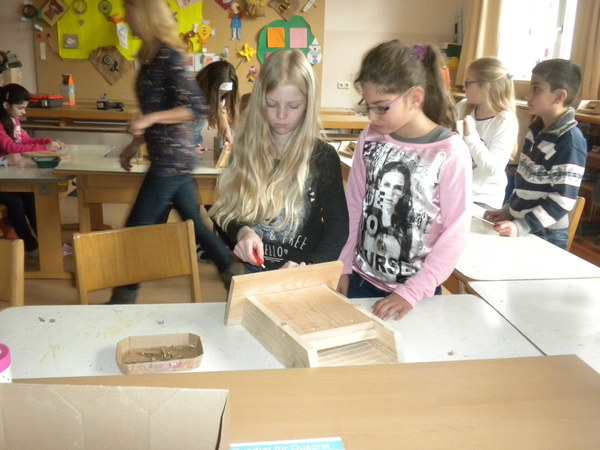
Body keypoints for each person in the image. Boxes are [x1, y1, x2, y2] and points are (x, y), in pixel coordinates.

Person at [111, 0, 236, 304]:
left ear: (145, 15)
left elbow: (196, 107)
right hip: (171, 157)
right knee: (196, 225)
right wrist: (134, 144)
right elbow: (159, 108)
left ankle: (122, 299)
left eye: (130, 12)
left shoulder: (169, 56)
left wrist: (148, 120)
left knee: (135, 230)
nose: (127, 19)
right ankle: (233, 274)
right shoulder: (151, 56)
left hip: (171, 160)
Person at [338, 40, 472, 321]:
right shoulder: (370, 138)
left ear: (415, 98)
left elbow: (456, 232)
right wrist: (343, 266)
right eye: (367, 106)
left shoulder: (449, 151)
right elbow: (353, 206)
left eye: (382, 107)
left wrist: (412, 292)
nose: (372, 117)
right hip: (361, 281)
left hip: (415, 295)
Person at [210, 49, 348, 271]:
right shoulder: (244, 149)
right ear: (259, 101)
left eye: (293, 106)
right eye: (272, 104)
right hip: (255, 271)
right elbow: (225, 212)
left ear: (308, 104)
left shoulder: (322, 157)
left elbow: (338, 226)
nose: (281, 115)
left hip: (303, 271)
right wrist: (243, 233)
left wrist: (312, 267)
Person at [483, 59, 587, 250]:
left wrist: (523, 225)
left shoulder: (570, 142)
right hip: (523, 224)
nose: (528, 95)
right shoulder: (535, 131)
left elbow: (563, 199)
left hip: (546, 233)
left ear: (559, 96)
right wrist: (508, 210)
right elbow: (523, 183)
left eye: (536, 89)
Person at [0, 83, 65, 257]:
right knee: (16, 202)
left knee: (30, 195)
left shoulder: (13, 121)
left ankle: (48, 242)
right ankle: (31, 246)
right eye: (20, 108)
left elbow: (25, 141)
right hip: (4, 178)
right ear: (6, 105)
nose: (24, 112)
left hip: (8, 176)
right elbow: (11, 147)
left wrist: (46, 141)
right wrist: (45, 148)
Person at [456, 57, 519, 209]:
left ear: (486, 86)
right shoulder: (463, 106)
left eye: (468, 83)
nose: (464, 88)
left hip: (481, 198)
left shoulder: (505, 121)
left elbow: (492, 171)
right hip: (455, 190)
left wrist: (471, 137)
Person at [192, 60, 239, 149]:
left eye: (224, 94)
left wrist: (226, 129)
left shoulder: (219, 97)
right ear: (207, 87)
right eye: (219, 93)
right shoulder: (186, 97)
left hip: (195, 144)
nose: (220, 98)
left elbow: (221, 107)